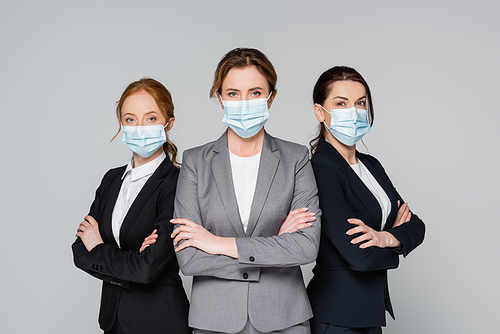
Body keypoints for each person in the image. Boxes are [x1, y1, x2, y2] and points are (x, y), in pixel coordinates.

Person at [150, 48, 320, 334]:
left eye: (255, 93)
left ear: (271, 97)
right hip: (214, 320)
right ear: (220, 99)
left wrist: (217, 243)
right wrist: (276, 244)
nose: (244, 102)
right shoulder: (195, 162)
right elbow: (189, 258)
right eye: (233, 93)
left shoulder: (296, 158)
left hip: (285, 318)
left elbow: (306, 246)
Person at [306, 66, 425, 334]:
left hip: (368, 313)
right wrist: (398, 241)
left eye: (360, 103)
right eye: (341, 103)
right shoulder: (322, 169)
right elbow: (360, 257)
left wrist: (385, 238)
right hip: (337, 315)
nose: (354, 111)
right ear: (319, 112)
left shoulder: (371, 165)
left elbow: (417, 225)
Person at [72, 78, 190, 334]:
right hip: (113, 320)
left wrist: (100, 247)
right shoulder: (112, 179)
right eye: (130, 119)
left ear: (168, 123)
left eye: (150, 118)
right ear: (121, 124)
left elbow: (148, 267)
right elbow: (80, 251)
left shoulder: (177, 182)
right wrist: (132, 258)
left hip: (160, 321)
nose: (139, 127)